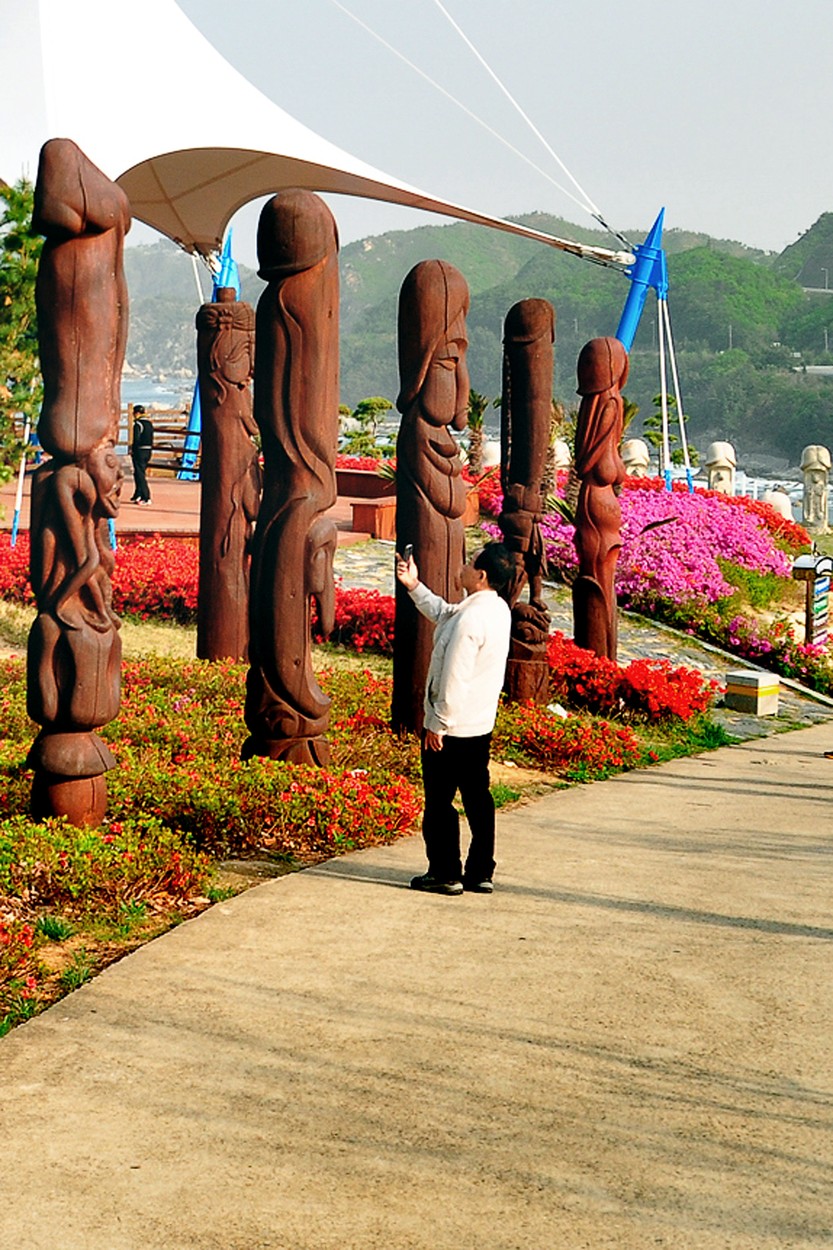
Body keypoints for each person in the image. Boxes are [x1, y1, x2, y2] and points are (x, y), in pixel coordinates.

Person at [395, 542, 513, 895]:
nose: (461, 566)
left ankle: (445, 872)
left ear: (481, 575)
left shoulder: (471, 619)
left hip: (452, 729)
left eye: (469, 563)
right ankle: (480, 871)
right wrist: (414, 585)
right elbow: (446, 613)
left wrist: (438, 723)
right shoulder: (494, 609)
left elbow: (454, 676)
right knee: (478, 798)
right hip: (479, 725)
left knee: (439, 802)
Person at [130, 405, 154, 504]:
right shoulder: (149, 424)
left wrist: (133, 450)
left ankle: (146, 496)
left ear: (137, 413)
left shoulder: (138, 424)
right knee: (139, 472)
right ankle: (138, 494)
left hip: (139, 451)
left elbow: (136, 439)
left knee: (140, 474)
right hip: (148, 450)